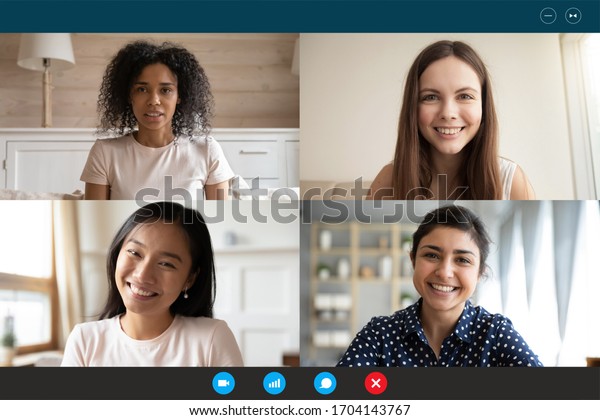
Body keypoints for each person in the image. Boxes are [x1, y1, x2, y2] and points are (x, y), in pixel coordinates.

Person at [337, 205, 543, 367]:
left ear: (480, 272)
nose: (444, 272)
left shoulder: (495, 334)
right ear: (413, 260)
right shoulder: (380, 334)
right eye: (432, 255)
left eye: (462, 260)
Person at [61, 201, 243, 366]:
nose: (142, 275)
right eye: (134, 252)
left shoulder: (212, 338)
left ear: (190, 278)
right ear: (118, 253)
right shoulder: (85, 339)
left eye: (166, 264)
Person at [368, 40, 535, 200]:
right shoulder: (388, 180)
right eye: (431, 97)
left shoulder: (512, 182)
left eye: (465, 96)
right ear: (413, 107)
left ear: (484, 105)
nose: (448, 113)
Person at [81, 40, 234, 200]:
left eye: (165, 90)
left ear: (179, 96)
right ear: (129, 95)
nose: (154, 100)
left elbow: (220, 221)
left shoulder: (207, 151)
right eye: (142, 89)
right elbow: (94, 222)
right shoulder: (105, 153)